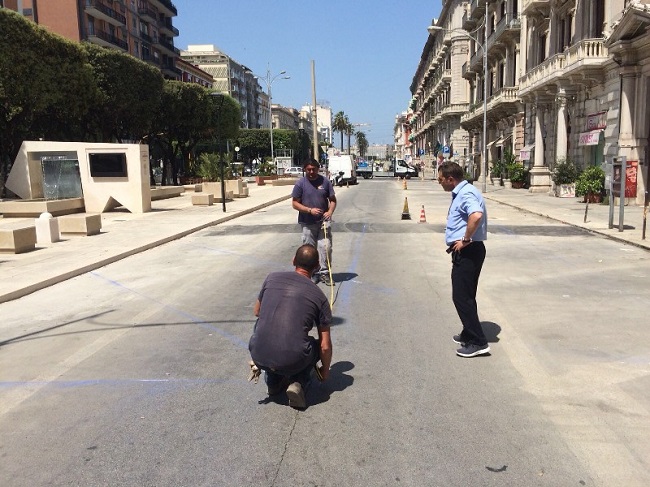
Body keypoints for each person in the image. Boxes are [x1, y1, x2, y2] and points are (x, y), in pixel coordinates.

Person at [249, 244, 333, 409]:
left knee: (260, 324)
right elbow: (325, 346)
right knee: (314, 345)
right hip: (292, 359)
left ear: (293, 260)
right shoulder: (319, 297)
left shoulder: (271, 277)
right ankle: (299, 382)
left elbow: (257, 311)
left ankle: (273, 382)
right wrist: (325, 370)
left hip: (258, 353)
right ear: (316, 267)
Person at [437, 162, 490, 358]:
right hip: (470, 251)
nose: (440, 183)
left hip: (468, 251)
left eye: (441, 179)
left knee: (460, 297)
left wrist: (465, 239)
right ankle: (469, 331)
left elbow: (476, 215)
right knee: (467, 295)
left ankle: (478, 342)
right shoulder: (465, 191)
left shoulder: (466, 193)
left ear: (451, 179)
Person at [291, 159, 337, 285]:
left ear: (318, 168)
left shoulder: (325, 182)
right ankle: (313, 273)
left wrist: (330, 211)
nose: (311, 172)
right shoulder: (301, 184)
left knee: (325, 247)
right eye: (308, 169)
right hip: (307, 223)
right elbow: (295, 203)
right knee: (309, 251)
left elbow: (333, 200)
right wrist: (309, 210)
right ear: (305, 170)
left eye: (314, 169)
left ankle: (325, 273)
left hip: (323, 222)